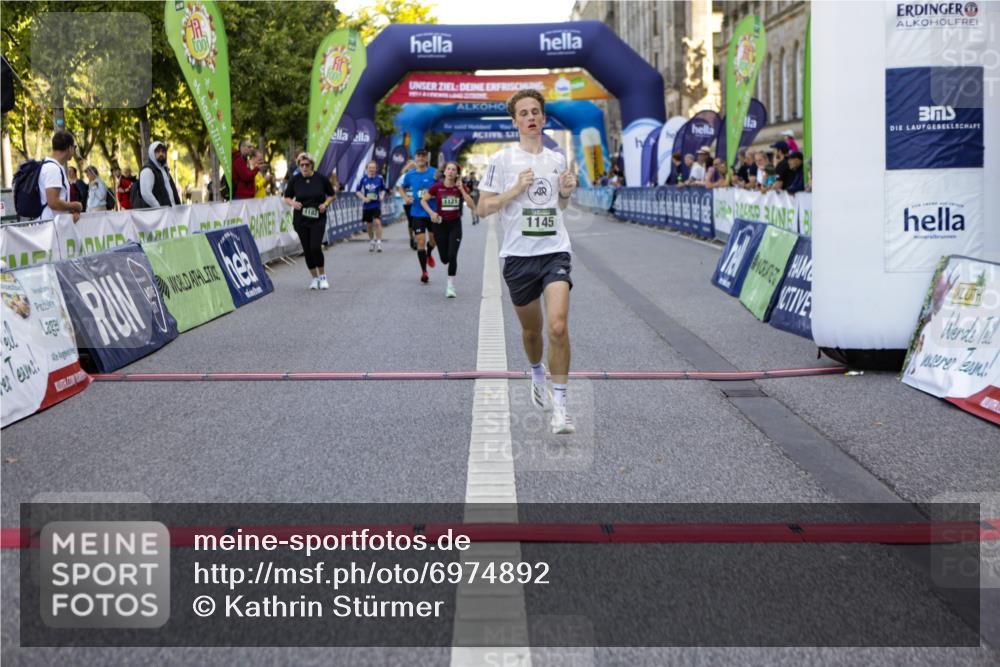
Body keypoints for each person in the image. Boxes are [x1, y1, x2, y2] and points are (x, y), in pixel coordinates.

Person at [477, 89, 579, 435]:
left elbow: (560, 207)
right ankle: (536, 370)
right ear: (514, 121)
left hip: (554, 251)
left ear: (543, 118)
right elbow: (482, 208)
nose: (531, 117)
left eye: (536, 111)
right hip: (518, 256)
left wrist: (565, 191)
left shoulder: (556, 159)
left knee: (558, 327)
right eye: (524, 113)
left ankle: (561, 408)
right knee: (532, 331)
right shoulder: (502, 161)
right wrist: (514, 190)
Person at [283, 152, 336, 290]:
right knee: (307, 250)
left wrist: (325, 204)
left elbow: (332, 195)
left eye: (307, 165)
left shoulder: (321, 179)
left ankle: (323, 277)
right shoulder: (295, 180)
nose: (304, 167)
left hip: (318, 218)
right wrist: (293, 204)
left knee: (315, 247)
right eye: (302, 165)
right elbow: (287, 197)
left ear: (312, 165)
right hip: (301, 219)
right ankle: (314, 278)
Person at [423, 161, 475, 298]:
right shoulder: (437, 187)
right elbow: (423, 200)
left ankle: (450, 286)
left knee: (452, 255)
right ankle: (433, 255)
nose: (451, 171)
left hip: (455, 225)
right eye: (449, 169)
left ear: (456, 173)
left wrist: (462, 190)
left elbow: (471, 205)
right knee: (444, 259)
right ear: (445, 172)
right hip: (440, 225)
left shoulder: (460, 187)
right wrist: (431, 213)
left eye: (453, 170)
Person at [399, 149, 439, 283]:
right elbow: (401, 187)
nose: (421, 158)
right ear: (415, 158)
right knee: (421, 241)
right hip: (417, 212)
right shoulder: (410, 175)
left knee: (434, 241)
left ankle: (429, 254)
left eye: (423, 156)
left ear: (427, 159)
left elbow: (444, 184)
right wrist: (406, 198)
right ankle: (424, 272)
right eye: (418, 156)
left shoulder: (434, 173)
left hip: (432, 212)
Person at [38, 130, 82, 222]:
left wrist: (70, 210)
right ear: (69, 148)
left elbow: (59, 199)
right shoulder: (53, 169)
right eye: (74, 147)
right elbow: (53, 202)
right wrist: (75, 205)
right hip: (51, 225)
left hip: (54, 224)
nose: (74, 150)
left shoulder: (53, 166)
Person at [137, 141, 180, 208]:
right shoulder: (148, 170)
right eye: (157, 152)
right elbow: (146, 193)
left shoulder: (165, 170)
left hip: (169, 212)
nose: (161, 154)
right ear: (152, 153)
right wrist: (159, 207)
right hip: (158, 214)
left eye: (163, 152)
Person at [356, 160, 386, 252]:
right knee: (369, 225)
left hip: (376, 204)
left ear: (376, 169)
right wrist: (364, 198)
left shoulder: (379, 178)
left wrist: (381, 196)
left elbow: (383, 189)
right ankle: (372, 241)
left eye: (373, 168)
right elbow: (357, 191)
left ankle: (379, 242)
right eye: (370, 168)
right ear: (367, 169)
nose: (372, 169)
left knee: (377, 222)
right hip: (367, 206)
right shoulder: (363, 179)